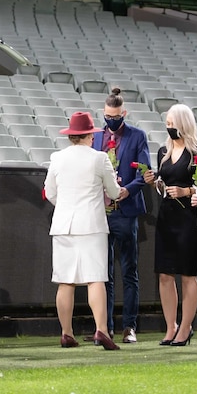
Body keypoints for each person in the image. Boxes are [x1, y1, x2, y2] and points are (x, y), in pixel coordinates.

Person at [44, 111, 125, 350]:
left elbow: (50, 193)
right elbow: (113, 192)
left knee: (65, 281)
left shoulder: (57, 158)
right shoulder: (99, 158)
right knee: (95, 278)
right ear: (89, 135)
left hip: (63, 225)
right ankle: (101, 330)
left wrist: (66, 206)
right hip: (91, 225)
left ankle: (66, 333)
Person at [143, 104, 197, 346]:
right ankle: (170, 327)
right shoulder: (163, 152)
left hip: (189, 217)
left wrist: (187, 190)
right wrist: (153, 183)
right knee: (164, 274)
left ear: (185, 124)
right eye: (167, 124)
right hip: (167, 217)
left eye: (173, 123)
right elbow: (163, 186)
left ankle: (185, 327)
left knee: (188, 274)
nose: (169, 128)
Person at [91, 88, 150, 344]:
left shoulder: (137, 136)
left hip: (125, 212)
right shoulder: (95, 138)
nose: (110, 120)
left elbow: (144, 173)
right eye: (106, 115)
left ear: (123, 113)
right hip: (100, 213)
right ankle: (105, 328)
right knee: (104, 274)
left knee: (129, 271)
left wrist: (127, 190)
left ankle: (129, 327)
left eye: (114, 116)